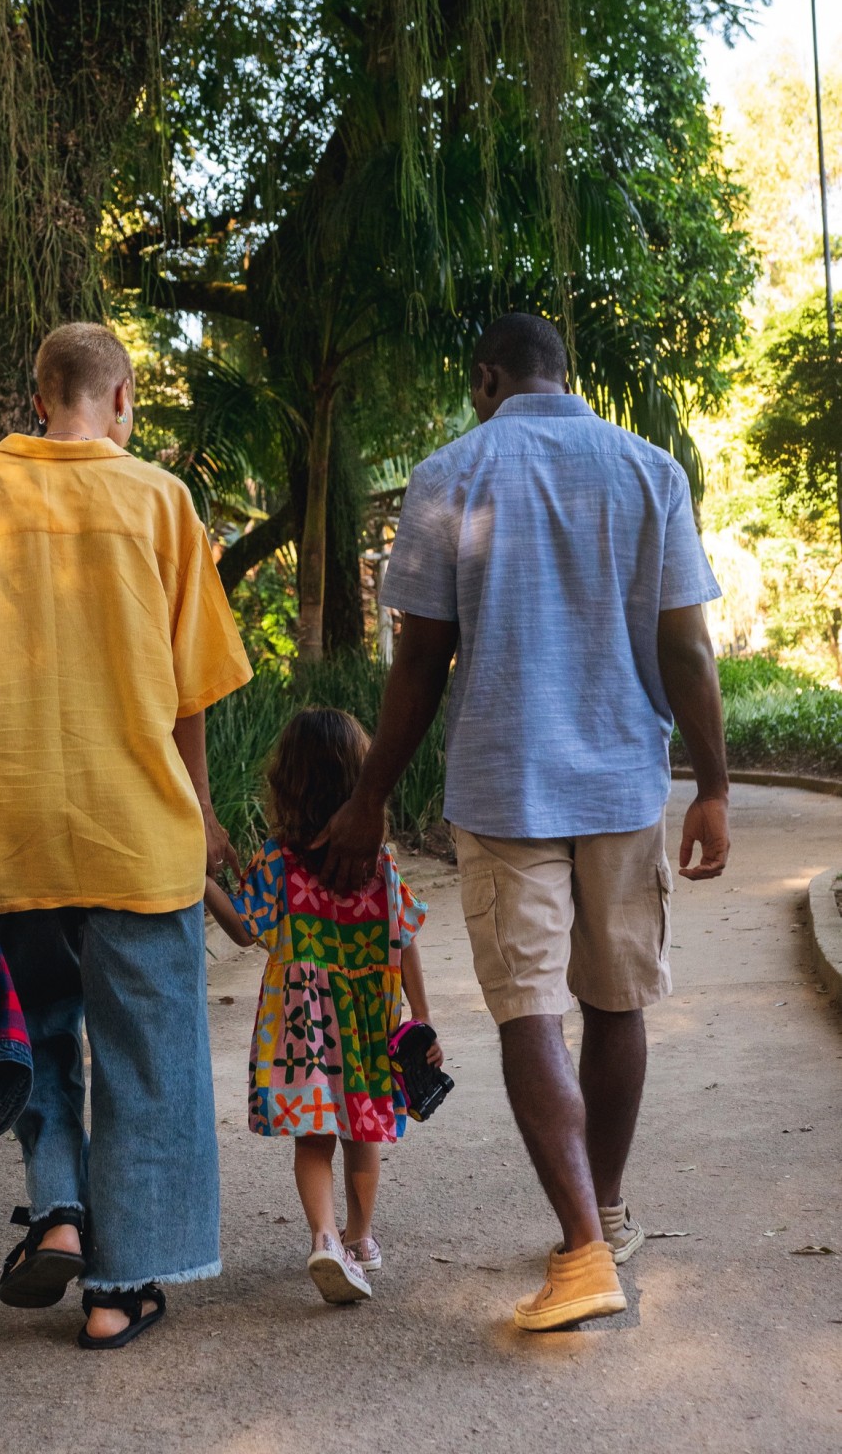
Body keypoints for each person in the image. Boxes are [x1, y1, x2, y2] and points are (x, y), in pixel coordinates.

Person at [316, 313, 729, 1331]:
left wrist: (369, 796)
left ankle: (582, 1248)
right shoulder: (649, 472)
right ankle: (606, 1212)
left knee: (529, 1013)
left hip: (504, 789)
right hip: (622, 783)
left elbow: (421, 660)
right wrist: (712, 787)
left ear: (487, 378)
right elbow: (686, 649)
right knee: (616, 1001)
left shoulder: (448, 474)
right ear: (564, 374)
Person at [0, 321, 252, 1350]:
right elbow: (191, 691)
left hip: (13, 829)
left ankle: (57, 1209)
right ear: (124, 398)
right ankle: (118, 1288)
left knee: (36, 1033)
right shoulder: (160, 500)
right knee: (149, 1062)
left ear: (38, 396)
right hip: (138, 832)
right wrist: (202, 811)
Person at [203, 707, 443, 1304]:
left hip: (302, 1026)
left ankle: (324, 1237)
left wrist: (199, 879)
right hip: (366, 1022)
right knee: (364, 1129)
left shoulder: (278, 861)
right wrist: (421, 1018)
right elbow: (405, 940)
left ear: (288, 784)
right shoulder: (378, 864)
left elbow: (243, 929)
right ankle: (361, 1238)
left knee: (313, 1137)